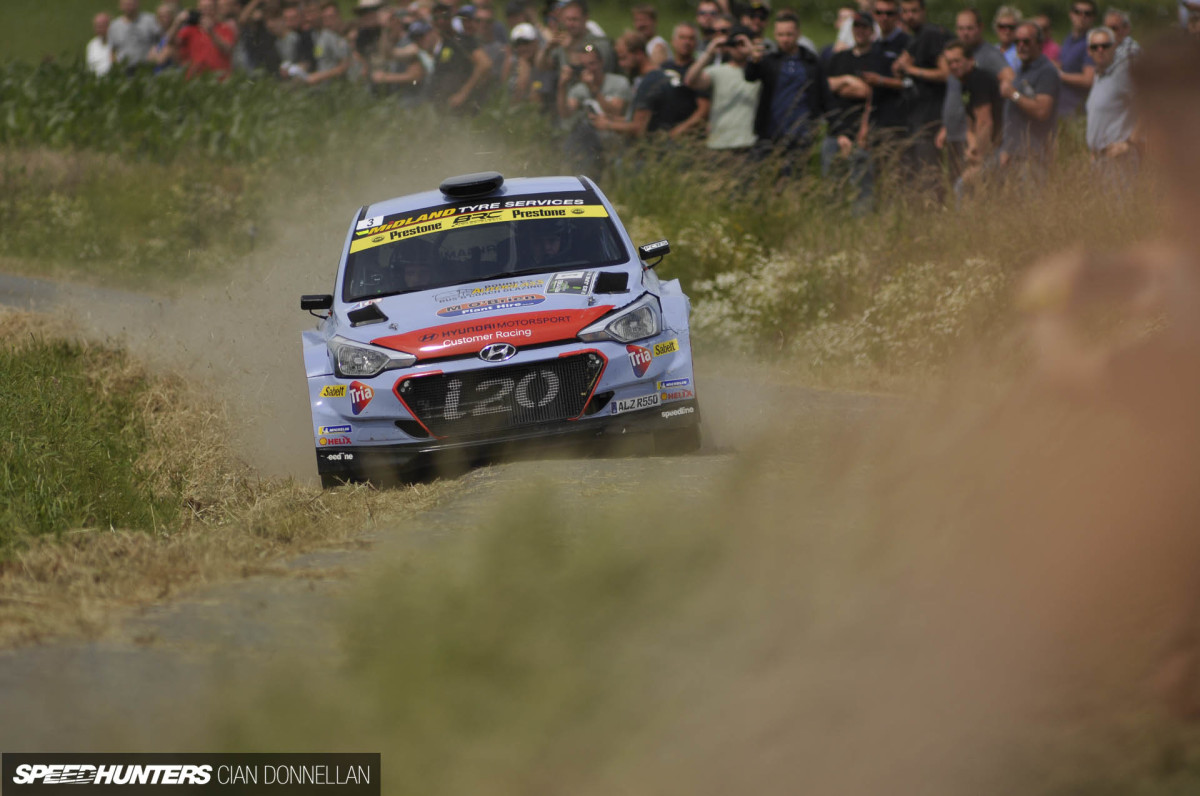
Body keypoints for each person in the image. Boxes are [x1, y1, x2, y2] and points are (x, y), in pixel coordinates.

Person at [744, 9, 830, 172]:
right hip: (772, 133)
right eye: (780, 35)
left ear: (798, 34)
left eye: (789, 34)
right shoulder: (770, 60)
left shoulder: (811, 62)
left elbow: (824, 94)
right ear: (775, 35)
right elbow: (750, 76)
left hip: (801, 134)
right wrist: (753, 61)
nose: (785, 39)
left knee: (796, 179)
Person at [937, 8, 1009, 183]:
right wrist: (947, 127)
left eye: (969, 28)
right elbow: (966, 107)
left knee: (966, 186)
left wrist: (980, 150)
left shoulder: (986, 59)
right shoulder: (961, 69)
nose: (965, 33)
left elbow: (985, 119)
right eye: (961, 28)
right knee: (957, 184)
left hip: (984, 142)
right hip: (962, 136)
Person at [823, 11, 881, 212]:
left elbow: (869, 93)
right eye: (856, 26)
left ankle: (861, 232)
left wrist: (840, 86)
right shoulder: (837, 59)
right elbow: (824, 88)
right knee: (831, 190)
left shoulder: (878, 59)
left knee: (862, 191)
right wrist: (848, 81)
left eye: (865, 27)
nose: (860, 31)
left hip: (862, 135)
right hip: (835, 133)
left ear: (872, 31)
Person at [892, 0, 949, 194]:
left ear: (924, 11)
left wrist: (911, 69)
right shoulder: (914, 38)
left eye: (914, 11)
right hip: (913, 117)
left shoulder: (930, 34)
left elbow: (945, 73)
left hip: (930, 118)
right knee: (912, 178)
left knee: (929, 177)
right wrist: (900, 69)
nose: (910, 16)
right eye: (905, 11)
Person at [684, 23, 761, 157]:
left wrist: (751, 51)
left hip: (747, 144)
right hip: (718, 144)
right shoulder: (718, 72)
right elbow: (690, 80)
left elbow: (766, 66)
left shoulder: (760, 72)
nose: (738, 48)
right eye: (734, 44)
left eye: (741, 44)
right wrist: (709, 52)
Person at [998, 21, 1060, 177]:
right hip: (1013, 155)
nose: (1020, 46)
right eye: (1016, 41)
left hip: (1033, 157)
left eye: (1026, 41)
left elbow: (1042, 111)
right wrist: (1007, 148)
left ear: (1039, 44)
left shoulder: (1046, 71)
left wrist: (1013, 94)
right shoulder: (1021, 69)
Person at [942, 38, 1001, 195]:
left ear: (970, 60)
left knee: (962, 187)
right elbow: (971, 121)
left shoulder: (978, 80)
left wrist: (980, 158)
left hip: (997, 148)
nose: (953, 66)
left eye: (957, 61)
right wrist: (972, 146)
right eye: (949, 62)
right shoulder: (965, 83)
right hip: (985, 148)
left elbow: (984, 122)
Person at [1084, 25, 1137, 187]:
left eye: (1105, 46)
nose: (1100, 50)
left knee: (1120, 211)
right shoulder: (1099, 75)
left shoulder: (1123, 73)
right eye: (1095, 47)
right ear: (1089, 51)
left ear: (1114, 47)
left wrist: (1129, 143)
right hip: (1099, 160)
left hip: (1119, 160)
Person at [860, 0, 909, 146]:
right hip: (876, 120)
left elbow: (911, 83)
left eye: (889, 13)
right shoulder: (874, 45)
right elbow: (871, 91)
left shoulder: (906, 43)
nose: (884, 17)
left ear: (898, 16)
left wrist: (882, 81)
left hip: (899, 120)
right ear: (873, 15)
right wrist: (865, 124)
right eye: (879, 13)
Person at [427, 2, 493, 112]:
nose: (441, 21)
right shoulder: (443, 43)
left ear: (451, 18)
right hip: (443, 108)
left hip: (463, 108)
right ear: (432, 21)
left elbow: (485, 64)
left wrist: (463, 94)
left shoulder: (462, 40)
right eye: (436, 18)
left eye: (444, 17)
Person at [659, 23, 712, 140]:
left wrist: (679, 130)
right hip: (661, 134)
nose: (686, 42)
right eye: (682, 37)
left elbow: (704, 109)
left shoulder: (699, 72)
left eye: (691, 38)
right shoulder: (663, 68)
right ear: (673, 41)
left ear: (697, 44)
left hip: (688, 138)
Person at [170, 0, 237, 80]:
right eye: (202, 8)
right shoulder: (190, 29)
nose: (205, 12)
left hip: (219, 80)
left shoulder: (225, 28)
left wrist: (212, 33)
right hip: (195, 80)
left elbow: (228, 49)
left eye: (209, 8)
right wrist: (177, 23)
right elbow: (170, 42)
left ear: (216, 10)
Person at [1057, 0, 1097, 118]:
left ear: (1093, 18)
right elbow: (1066, 66)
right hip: (1060, 107)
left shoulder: (1093, 43)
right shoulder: (1068, 39)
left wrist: (1060, 75)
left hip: (1076, 111)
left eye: (1087, 13)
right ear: (1071, 14)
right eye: (1078, 12)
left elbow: (1088, 80)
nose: (1082, 17)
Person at [109, 0, 162, 72]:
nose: (129, 7)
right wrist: (115, 67)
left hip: (147, 67)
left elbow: (161, 40)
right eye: (126, 5)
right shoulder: (114, 26)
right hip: (124, 69)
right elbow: (112, 50)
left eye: (132, 4)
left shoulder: (150, 20)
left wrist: (155, 52)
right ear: (120, 6)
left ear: (138, 4)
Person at [994, 6, 1022, 70]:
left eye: (1011, 27)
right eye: (1002, 27)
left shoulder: (1022, 52)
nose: (1007, 31)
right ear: (996, 28)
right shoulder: (991, 51)